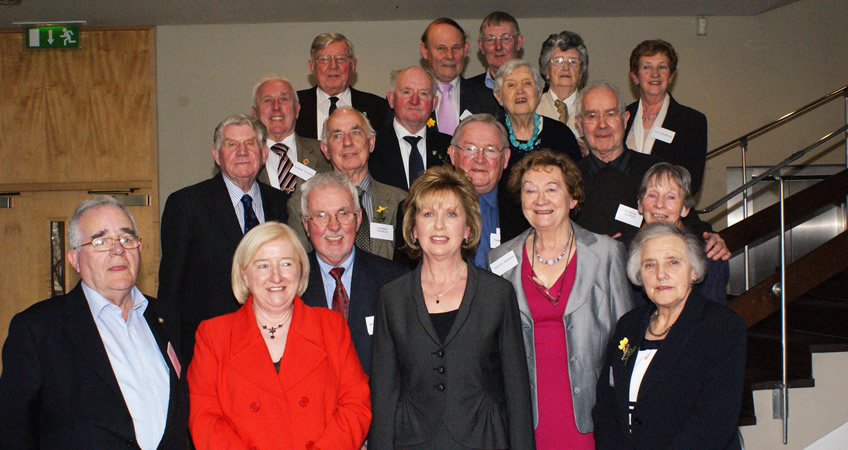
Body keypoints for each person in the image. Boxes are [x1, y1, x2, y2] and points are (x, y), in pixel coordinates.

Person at [0, 196, 189, 449]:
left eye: (126, 238)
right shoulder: (37, 330)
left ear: (139, 249)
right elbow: (14, 434)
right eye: (100, 241)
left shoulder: (165, 318)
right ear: (74, 259)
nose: (118, 249)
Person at [371, 165, 535, 449]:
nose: (439, 226)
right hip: (412, 441)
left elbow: (517, 392)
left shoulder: (497, 294)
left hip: (485, 439)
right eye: (428, 214)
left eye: (451, 214)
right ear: (413, 227)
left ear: (468, 227)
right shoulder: (392, 298)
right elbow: (384, 394)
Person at [487, 150, 634, 448]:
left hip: (594, 413)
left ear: (573, 199)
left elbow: (627, 340)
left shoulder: (606, 254)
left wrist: (622, 401)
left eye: (552, 189)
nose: (540, 200)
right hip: (525, 416)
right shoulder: (500, 259)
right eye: (530, 190)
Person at [188, 222, 371, 449]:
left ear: (300, 271)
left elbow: (356, 404)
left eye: (286, 264)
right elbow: (205, 419)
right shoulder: (214, 335)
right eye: (263, 266)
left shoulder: (331, 326)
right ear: (244, 275)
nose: (276, 277)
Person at [593, 223, 746, 449]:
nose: (660, 274)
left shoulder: (721, 326)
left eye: (673, 262)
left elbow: (714, 421)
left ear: (694, 271)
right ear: (639, 274)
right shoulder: (628, 326)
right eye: (649, 264)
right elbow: (606, 406)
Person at [159, 114, 289, 362]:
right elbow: (171, 289)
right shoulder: (186, 205)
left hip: (276, 345)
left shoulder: (282, 204)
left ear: (263, 154)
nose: (242, 152)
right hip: (212, 351)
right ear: (216, 155)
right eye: (231, 145)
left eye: (250, 144)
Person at [573, 81, 730, 259]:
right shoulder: (567, 180)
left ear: (625, 120)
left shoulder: (655, 171)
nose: (602, 125)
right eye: (592, 116)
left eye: (611, 114)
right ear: (579, 124)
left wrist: (710, 238)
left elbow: (689, 222)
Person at [298, 171, 408, 376]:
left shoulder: (395, 282)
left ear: (358, 220)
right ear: (306, 225)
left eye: (343, 213)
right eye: (321, 215)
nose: (333, 226)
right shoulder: (291, 285)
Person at [288, 107, 406, 260]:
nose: (348, 142)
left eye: (355, 133)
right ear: (325, 150)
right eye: (337, 136)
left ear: (371, 143)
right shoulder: (300, 204)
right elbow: (299, 265)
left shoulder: (400, 201)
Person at [624, 163, 729, 305]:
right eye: (652, 195)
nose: (660, 204)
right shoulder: (620, 251)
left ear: (685, 209)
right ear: (640, 205)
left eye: (671, 197)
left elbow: (713, 319)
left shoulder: (709, 255)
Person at [625, 39, 708, 195]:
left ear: (671, 76)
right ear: (635, 76)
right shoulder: (621, 116)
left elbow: (692, 181)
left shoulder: (692, 121)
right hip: (624, 210)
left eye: (662, 67)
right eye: (647, 67)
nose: (655, 74)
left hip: (667, 210)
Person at [448, 113, 528, 267]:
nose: (480, 158)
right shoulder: (424, 208)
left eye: (490, 150)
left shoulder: (524, 211)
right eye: (470, 149)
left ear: (505, 157)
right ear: (453, 154)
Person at [493, 59, 582, 175]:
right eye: (511, 85)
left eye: (527, 83)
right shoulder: (493, 135)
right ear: (499, 97)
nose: (520, 91)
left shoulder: (561, 134)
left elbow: (575, 183)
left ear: (539, 92)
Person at [370, 66, 452, 191]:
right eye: (407, 92)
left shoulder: (449, 147)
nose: (414, 101)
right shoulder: (371, 147)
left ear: (434, 103)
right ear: (391, 99)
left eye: (423, 93)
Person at [296, 33, 389, 140]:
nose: (333, 66)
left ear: (353, 65)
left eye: (341, 59)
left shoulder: (378, 108)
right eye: (324, 59)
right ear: (312, 66)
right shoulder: (293, 106)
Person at [251, 74, 331, 194]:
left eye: (283, 99)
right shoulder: (244, 158)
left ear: (297, 110)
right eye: (267, 100)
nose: (276, 107)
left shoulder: (324, 153)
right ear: (255, 113)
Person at [420, 18, 500, 135]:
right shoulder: (410, 101)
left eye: (456, 48)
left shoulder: (488, 99)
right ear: (425, 51)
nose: (450, 56)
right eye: (441, 48)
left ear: (465, 49)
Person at [536, 30, 589, 141]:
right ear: (547, 70)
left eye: (573, 61)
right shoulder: (533, 107)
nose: (566, 67)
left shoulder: (590, 107)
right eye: (558, 61)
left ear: (580, 72)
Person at [469, 11, 524, 90]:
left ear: (519, 42)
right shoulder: (467, 92)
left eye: (505, 38)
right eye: (490, 40)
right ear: (481, 46)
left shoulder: (538, 89)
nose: (498, 47)